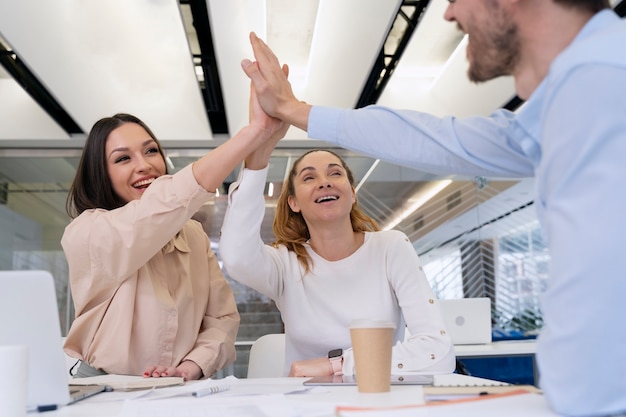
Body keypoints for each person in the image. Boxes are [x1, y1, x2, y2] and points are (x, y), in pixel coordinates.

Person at [240, 1, 626, 415]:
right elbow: (438, 139)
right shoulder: (567, 98)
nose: (447, 14)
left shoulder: (607, 77)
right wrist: (294, 111)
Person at [62, 81, 288, 380]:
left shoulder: (192, 235)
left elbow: (221, 318)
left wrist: (190, 366)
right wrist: (251, 135)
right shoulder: (87, 233)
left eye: (151, 151)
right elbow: (157, 211)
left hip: (180, 388)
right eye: (122, 158)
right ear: (100, 174)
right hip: (104, 389)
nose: (145, 165)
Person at [220, 142, 456, 377]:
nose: (325, 182)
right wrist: (257, 160)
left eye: (335, 173)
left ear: (352, 193)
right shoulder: (284, 263)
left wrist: (335, 365)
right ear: (294, 203)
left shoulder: (390, 247)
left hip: (376, 397)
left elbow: (438, 351)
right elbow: (236, 256)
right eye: (309, 178)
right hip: (304, 404)